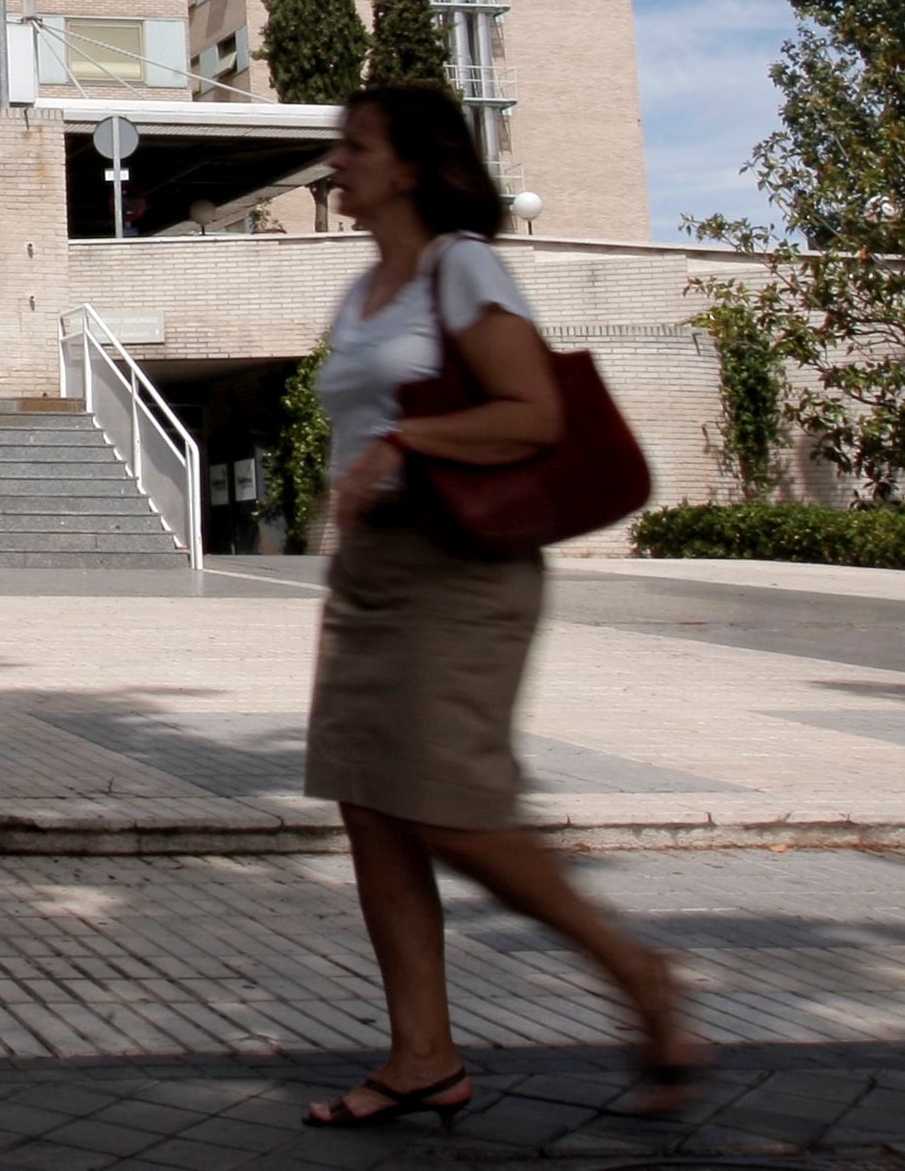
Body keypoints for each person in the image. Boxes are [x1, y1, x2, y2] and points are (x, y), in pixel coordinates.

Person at [299, 83, 706, 1130]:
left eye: (356, 144)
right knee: (371, 807)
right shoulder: (361, 289)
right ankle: (421, 1057)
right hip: (373, 574)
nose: (336, 160)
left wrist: (406, 440)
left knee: (448, 806)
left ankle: (639, 974)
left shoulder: (462, 264)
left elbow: (532, 413)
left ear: (409, 166)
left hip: (461, 570)